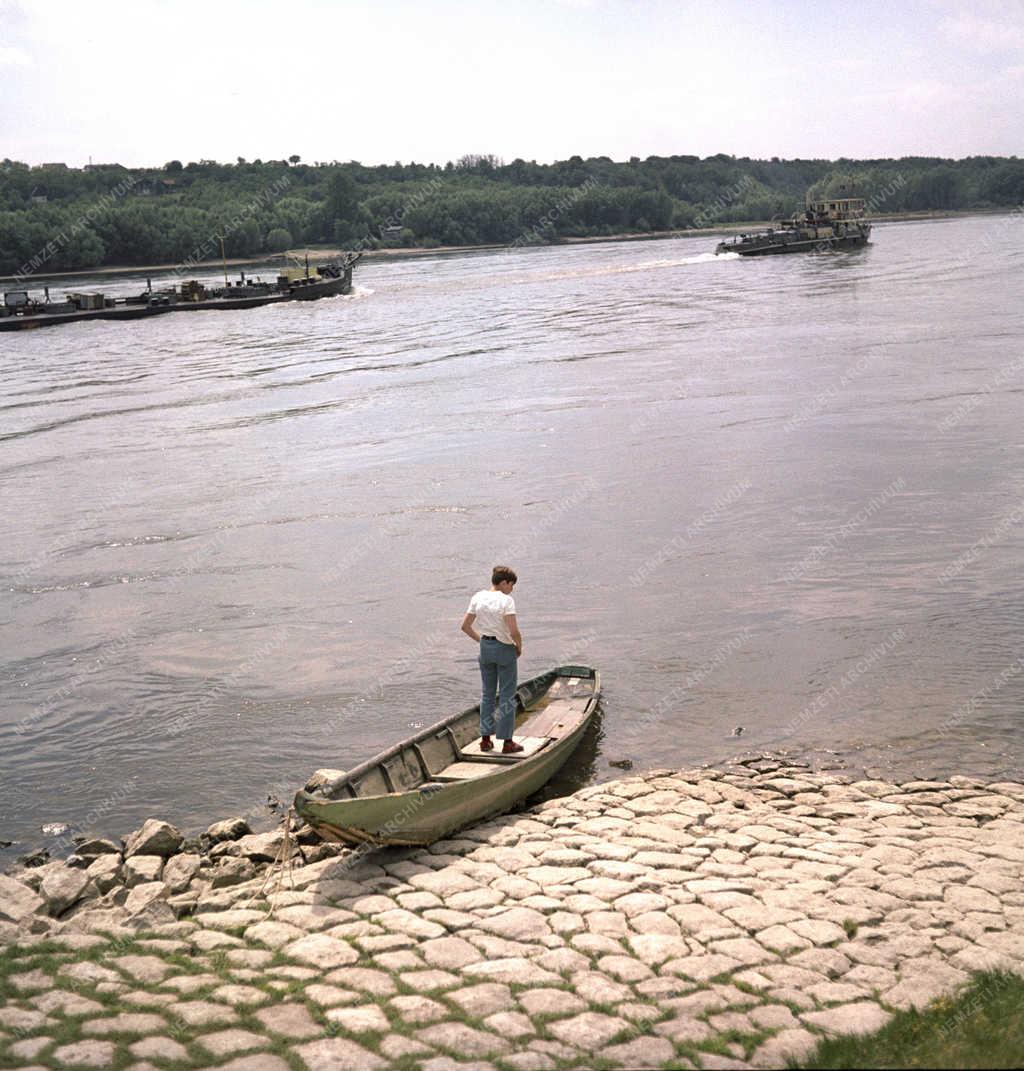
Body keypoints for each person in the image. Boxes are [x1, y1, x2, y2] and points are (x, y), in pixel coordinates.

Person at [460, 565, 523, 754]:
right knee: (507, 695)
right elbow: (513, 631)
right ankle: (507, 742)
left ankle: (485, 740)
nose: (511, 589)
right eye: (511, 585)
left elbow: (465, 626)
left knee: (487, 694)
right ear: (504, 582)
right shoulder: (506, 600)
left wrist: (483, 641)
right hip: (504, 649)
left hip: (485, 648)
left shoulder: (478, 597)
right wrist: (519, 647)